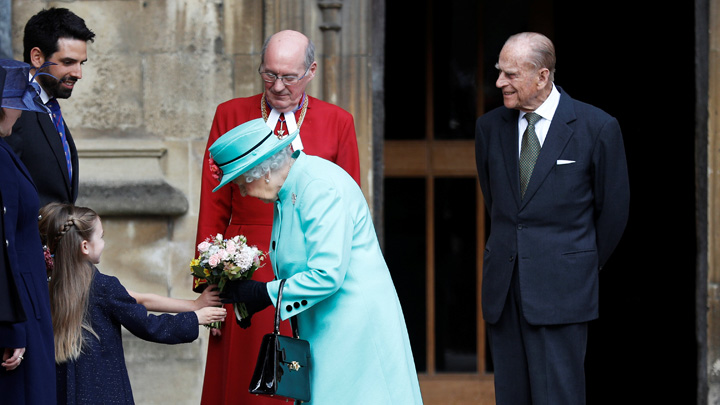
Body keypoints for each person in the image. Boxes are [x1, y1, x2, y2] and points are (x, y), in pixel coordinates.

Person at [195, 30, 360, 404]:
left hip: (311, 265)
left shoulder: (339, 121)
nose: (278, 86)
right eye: (269, 75)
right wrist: (209, 289)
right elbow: (213, 203)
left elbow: (349, 206)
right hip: (244, 266)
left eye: (289, 76)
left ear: (311, 71)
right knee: (245, 382)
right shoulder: (230, 113)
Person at [209, 118, 423, 404]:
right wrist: (261, 296)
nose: (243, 192)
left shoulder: (318, 185)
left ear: (262, 172)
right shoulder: (288, 191)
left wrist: (265, 293)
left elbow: (327, 273)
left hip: (354, 326)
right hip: (328, 325)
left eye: (240, 183)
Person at [474, 32, 630, 404]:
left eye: (510, 75)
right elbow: (497, 202)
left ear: (542, 76)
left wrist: (577, 263)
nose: (499, 83)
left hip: (563, 291)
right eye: (499, 72)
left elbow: (614, 212)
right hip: (505, 290)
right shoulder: (489, 128)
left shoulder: (597, 127)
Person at [38, 202, 227, 405]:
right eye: (100, 237)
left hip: (59, 390)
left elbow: (140, 299)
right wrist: (195, 318)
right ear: (85, 246)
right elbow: (148, 326)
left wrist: (195, 304)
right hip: (102, 392)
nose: (103, 243)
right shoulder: (103, 287)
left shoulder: (46, 282)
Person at [0, 59, 59, 404]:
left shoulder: (5, 150)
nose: (20, 113)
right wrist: (12, 325)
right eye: (14, 104)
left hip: (27, 300)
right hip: (18, 305)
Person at [5, 7, 95, 206]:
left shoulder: (49, 106)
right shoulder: (13, 110)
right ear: (37, 57)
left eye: (82, 63)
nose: (78, 73)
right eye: (68, 62)